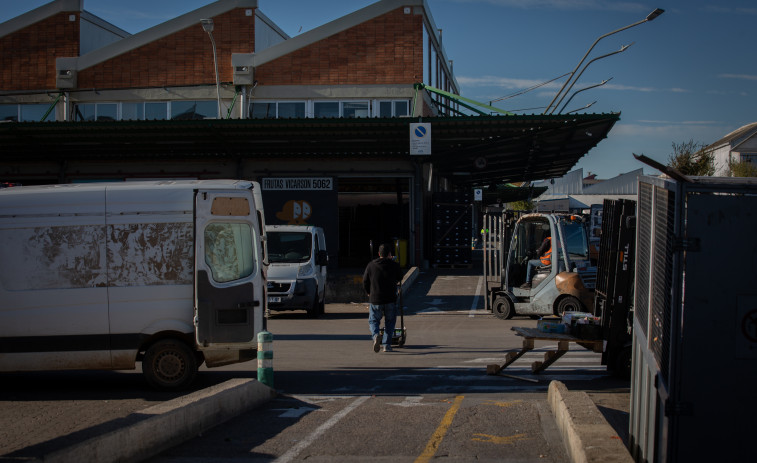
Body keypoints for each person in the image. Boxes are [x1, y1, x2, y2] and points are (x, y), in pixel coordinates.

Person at [363, 243, 402, 353]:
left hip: (375, 298)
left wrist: (368, 292)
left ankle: (375, 335)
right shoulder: (394, 265)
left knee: (373, 320)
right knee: (390, 322)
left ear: (379, 254)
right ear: (389, 254)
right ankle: (386, 345)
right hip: (390, 299)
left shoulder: (371, 265)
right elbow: (400, 277)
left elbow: (365, 281)